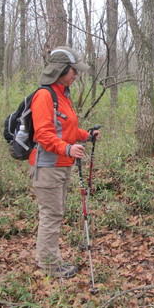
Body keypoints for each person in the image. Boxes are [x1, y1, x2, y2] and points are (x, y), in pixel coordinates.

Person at [29, 46, 100, 279]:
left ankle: (49, 258)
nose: (76, 74)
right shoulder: (44, 96)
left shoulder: (63, 95)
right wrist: (68, 148)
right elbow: (43, 134)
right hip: (47, 167)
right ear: (61, 70)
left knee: (55, 213)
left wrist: (85, 135)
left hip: (61, 165)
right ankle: (48, 264)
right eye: (73, 70)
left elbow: (65, 129)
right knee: (51, 214)